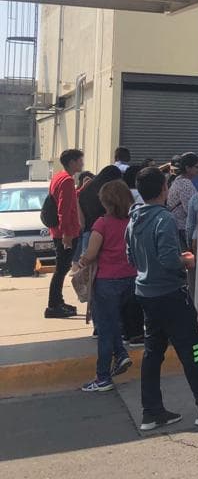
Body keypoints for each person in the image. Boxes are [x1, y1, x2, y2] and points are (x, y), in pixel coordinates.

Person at [126, 167, 198, 431]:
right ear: (164, 189)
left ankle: (151, 410)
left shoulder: (134, 219)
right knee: (193, 349)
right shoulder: (162, 219)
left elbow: (130, 258)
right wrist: (185, 261)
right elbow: (168, 259)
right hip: (170, 294)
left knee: (154, 352)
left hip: (146, 293)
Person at [78, 180, 137, 392]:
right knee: (114, 324)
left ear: (105, 202)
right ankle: (120, 354)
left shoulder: (101, 224)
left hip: (106, 281)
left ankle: (102, 377)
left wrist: (80, 263)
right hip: (129, 278)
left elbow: (91, 254)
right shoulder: (132, 222)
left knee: (104, 328)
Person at [46, 148, 84, 318]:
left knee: (61, 268)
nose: (82, 163)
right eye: (79, 160)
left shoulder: (59, 177)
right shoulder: (67, 180)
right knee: (61, 269)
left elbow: (67, 199)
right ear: (72, 162)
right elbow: (64, 208)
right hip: (65, 233)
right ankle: (54, 305)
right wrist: (67, 235)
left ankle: (57, 301)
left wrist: (81, 189)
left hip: (60, 231)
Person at [76, 164, 123, 261]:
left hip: (88, 233)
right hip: (106, 233)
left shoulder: (86, 189)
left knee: (88, 269)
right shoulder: (106, 192)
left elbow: (81, 215)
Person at [167, 153, 198, 250]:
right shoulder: (185, 183)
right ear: (187, 168)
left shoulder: (178, 180)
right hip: (182, 229)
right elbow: (191, 210)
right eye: (197, 167)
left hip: (177, 227)